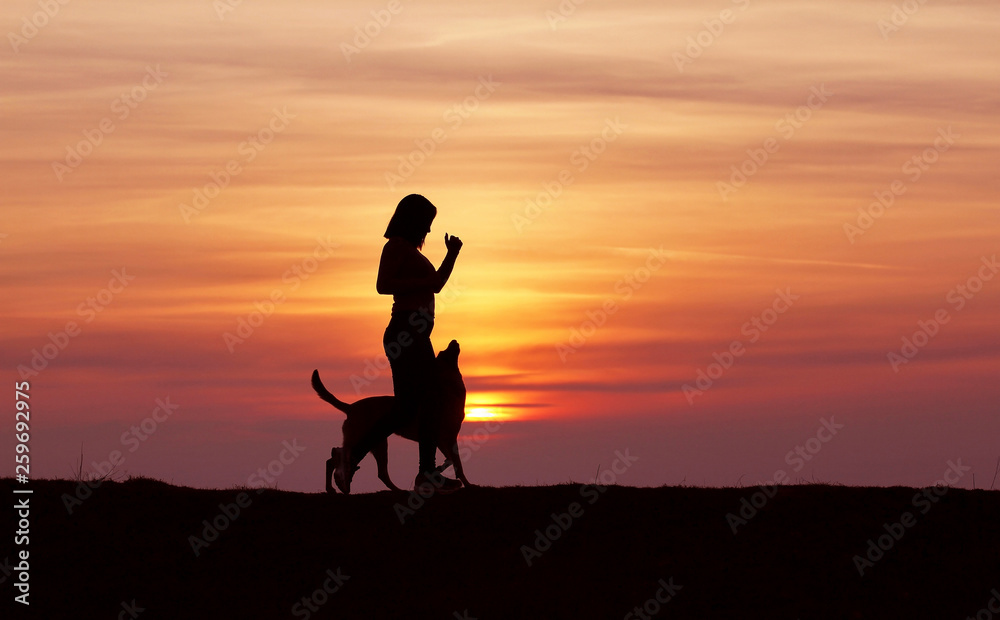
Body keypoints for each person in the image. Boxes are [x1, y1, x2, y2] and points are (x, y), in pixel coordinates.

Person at [333, 194, 464, 494]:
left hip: (416, 333)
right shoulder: (394, 247)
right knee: (430, 398)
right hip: (405, 332)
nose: (429, 231)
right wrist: (421, 284)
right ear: (414, 220)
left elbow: (437, 285)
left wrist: (453, 253)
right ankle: (426, 474)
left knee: (407, 409)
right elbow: (383, 284)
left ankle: (353, 458)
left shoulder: (411, 253)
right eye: (426, 224)